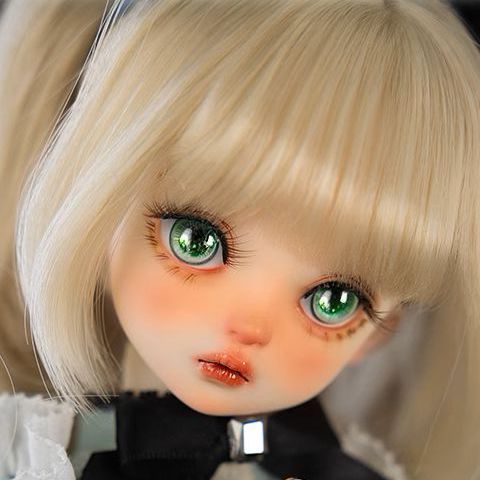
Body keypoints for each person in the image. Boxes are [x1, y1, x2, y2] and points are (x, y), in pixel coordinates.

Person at [1, 0, 480, 478]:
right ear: (95, 212)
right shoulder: (33, 452)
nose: (250, 327)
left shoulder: (342, 465)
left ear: (377, 332)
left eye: (332, 300)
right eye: (196, 240)